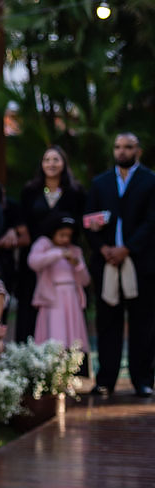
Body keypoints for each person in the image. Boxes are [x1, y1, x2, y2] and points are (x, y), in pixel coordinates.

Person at [85, 133, 155, 397]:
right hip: (107, 263)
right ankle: (105, 380)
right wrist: (103, 249)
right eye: (117, 147)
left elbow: (152, 221)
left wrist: (127, 248)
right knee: (107, 324)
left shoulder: (150, 181)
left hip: (141, 264)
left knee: (143, 324)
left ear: (138, 150)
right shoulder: (100, 183)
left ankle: (143, 380)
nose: (122, 151)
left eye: (128, 147)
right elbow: (88, 221)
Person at [14, 146, 86, 342]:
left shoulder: (75, 191)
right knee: (30, 306)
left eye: (56, 159)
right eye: (47, 160)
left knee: (64, 310)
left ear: (64, 163)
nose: (51, 164)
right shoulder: (30, 191)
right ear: (41, 164)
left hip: (65, 261)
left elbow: (82, 221)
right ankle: (29, 358)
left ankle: (70, 361)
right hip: (36, 258)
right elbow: (22, 220)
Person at [28, 213, 91, 355]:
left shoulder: (75, 251)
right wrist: (59, 254)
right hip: (53, 297)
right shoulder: (44, 244)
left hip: (72, 298)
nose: (65, 239)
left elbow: (85, 280)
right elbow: (33, 262)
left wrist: (77, 264)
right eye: (61, 235)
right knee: (56, 333)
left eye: (68, 236)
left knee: (72, 337)